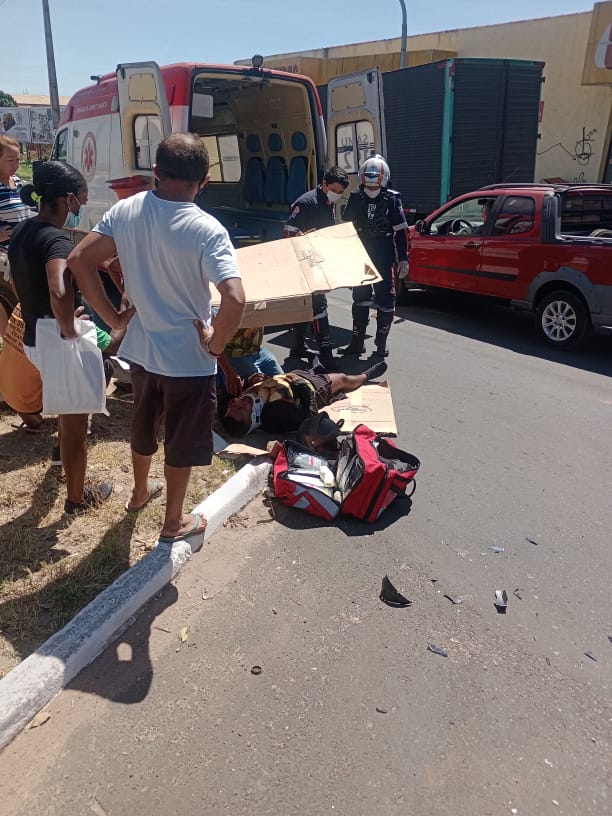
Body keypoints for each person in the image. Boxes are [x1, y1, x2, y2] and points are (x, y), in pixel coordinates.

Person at [68, 133, 246, 543]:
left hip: (142, 352)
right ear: (205, 178)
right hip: (188, 360)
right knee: (181, 442)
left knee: (143, 427)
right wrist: (215, 345)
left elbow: (80, 260)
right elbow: (234, 299)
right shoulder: (208, 229)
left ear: (156, 172)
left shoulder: (126, 210)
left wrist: (114, 318)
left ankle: (139, 492)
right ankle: (172, 523)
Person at [8, 160, 119, 514]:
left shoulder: (24, 230)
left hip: (36, 336)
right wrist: (69, 327)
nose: (80, 210)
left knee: (69, 408)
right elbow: (59, 289)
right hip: (57, 339)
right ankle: (76, 499)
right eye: (80, 203)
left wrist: (37, 310)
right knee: (75, 425)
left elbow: (14, 281)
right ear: (68, 199)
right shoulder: (55, 239)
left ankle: (60, 460)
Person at [341, 155, 408, 358]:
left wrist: (404, 258)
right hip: (361, 252)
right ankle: (357, 342)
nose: (371, 190)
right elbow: (346, 229)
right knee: (359, 298)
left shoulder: (392, 199)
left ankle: (381, 343)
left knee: (386, 300)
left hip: (383, 252)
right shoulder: (355, 198)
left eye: (375, 185)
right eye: (367, 185)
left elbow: (402, 232)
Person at [219, 358, 387, 437]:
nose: (239, 403)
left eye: (234, 406)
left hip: (290, 377)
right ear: (254, 418)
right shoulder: (274, 413)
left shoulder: (235, 401)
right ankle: (365, 376)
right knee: (343, 379)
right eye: (242, 409)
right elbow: (309, 416)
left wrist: (251, 380)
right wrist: (302, 387)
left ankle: (317, 366)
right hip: (313, 386)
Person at [284, 166, 349, 369]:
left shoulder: (328, 202)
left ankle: (297, 347)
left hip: (317, 261)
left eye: (340, 193)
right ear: (324, 184)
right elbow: (287, 234)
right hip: (302, 262)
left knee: (306, 305)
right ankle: (326, 354)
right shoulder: (306, 202)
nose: (336, 195)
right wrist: (302, 238)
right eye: (334, 190)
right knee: (318, 306)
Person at [0, 135, 35, 246]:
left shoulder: (17, 181)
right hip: (4, 257)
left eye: (17, 159)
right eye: (10, 160)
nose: (16, 165)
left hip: (22, 251)